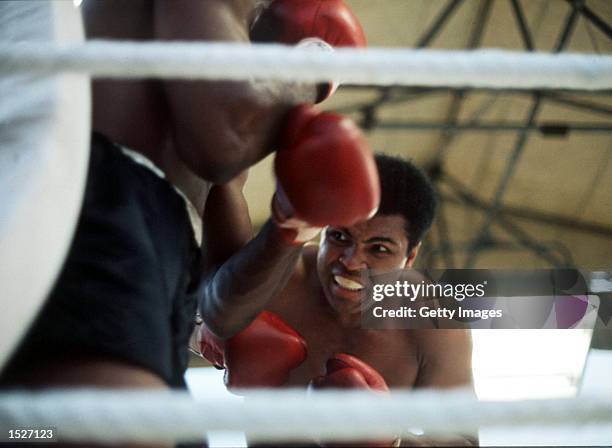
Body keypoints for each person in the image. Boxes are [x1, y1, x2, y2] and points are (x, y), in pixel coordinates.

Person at [0, 0, 372, 396]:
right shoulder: (232, 88)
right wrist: (316, 66)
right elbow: (222, 142)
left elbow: (220, 310)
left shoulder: (246, 82)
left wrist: (290, 228)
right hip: (108, 197)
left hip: (164, 256)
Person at [195, 154, 477, 446]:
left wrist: (387, 437)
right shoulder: (275, 280)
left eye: (378, 249)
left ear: (410, 259)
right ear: (323, 231)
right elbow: (173, 307)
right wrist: (203, 332)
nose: (351, 261)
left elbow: (464, 441)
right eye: (340, 236)